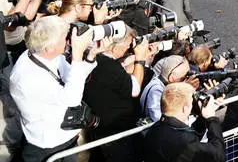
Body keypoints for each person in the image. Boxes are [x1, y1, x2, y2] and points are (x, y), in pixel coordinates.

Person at [9, 17, 103, 162]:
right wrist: (77, 54)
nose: (69, 41)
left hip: (65, 138)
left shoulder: (47, 55)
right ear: (49, 47)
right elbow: (72, 99)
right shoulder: (28, 76)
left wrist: (91, 57)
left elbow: (74, 79)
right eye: (65, 38)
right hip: (46, 147)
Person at [83, 26, 150, 162]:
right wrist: (140, 59)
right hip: (113, 134)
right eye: (127, 46)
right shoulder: (110, 67)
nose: (128, 49)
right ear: (116, 47)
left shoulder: (93, 58)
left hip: (97, 127)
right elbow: (135, 89)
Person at [143, 82, 225, 162]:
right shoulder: (184, 142)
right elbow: (218, 155)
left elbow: (191, 135)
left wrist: (203, 116)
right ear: (185, 109)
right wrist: (211, 119)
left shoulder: (154, 130)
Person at [139, 55, 194, 123]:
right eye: (183, 78)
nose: (186, 80)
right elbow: (159, 119)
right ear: (172, 78)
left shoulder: (165, 87)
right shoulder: (156, 90)